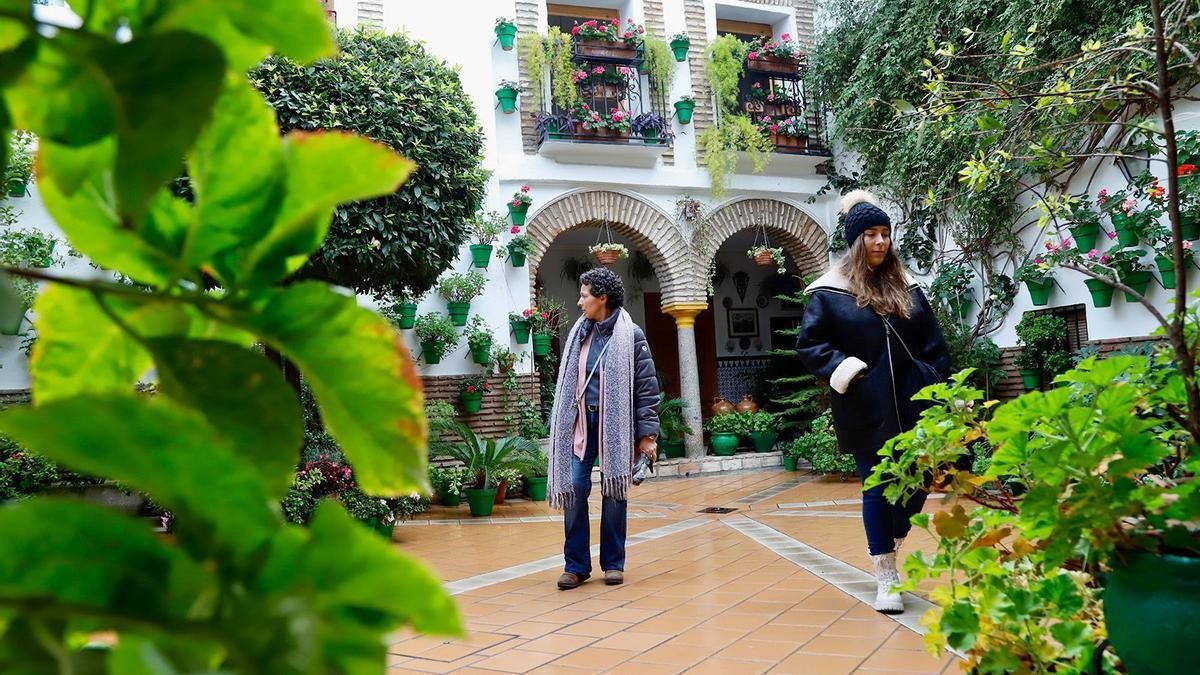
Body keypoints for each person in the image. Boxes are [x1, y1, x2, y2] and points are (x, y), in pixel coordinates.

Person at [795, 190, 952, 613]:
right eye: (871, 234)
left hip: (916, 404)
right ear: (855, 240)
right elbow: (811, 345)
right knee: (879, 486)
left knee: (920, 481)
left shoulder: (909, 288)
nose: (880, 242)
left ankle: (891, 539)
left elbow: (934, 345)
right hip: (865, 406)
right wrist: (847, 371)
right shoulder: (829, 293)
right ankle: (886, 575)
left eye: (884, 234)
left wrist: (936, 381)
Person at [546, 267, 660, 590]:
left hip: (615, 426)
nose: (579, 302)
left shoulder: (631, 335)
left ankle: (613, 563)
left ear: (602, 298)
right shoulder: (580, 333)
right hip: (582, 421)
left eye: (584, 296)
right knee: (576, 487)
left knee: (613, 490)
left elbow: (647, 388)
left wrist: (647, 436)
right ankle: (576, 565)